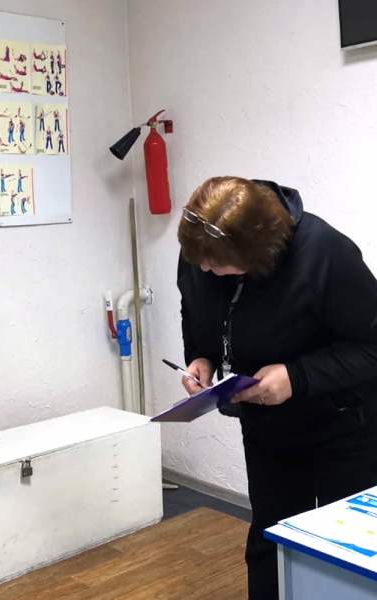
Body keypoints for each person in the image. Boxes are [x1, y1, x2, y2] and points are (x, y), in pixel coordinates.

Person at [177, 176, 377, 600]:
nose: (206, 270)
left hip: (346, 425)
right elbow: (194, 309)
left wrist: (296, 376)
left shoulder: (325, 254)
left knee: (349, 555)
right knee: (271, 540)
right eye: (200, 263)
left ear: (260, 254)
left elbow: (372, 347)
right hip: (267, 426)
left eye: (217, 265)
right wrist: (200, 356)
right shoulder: (201, 248)